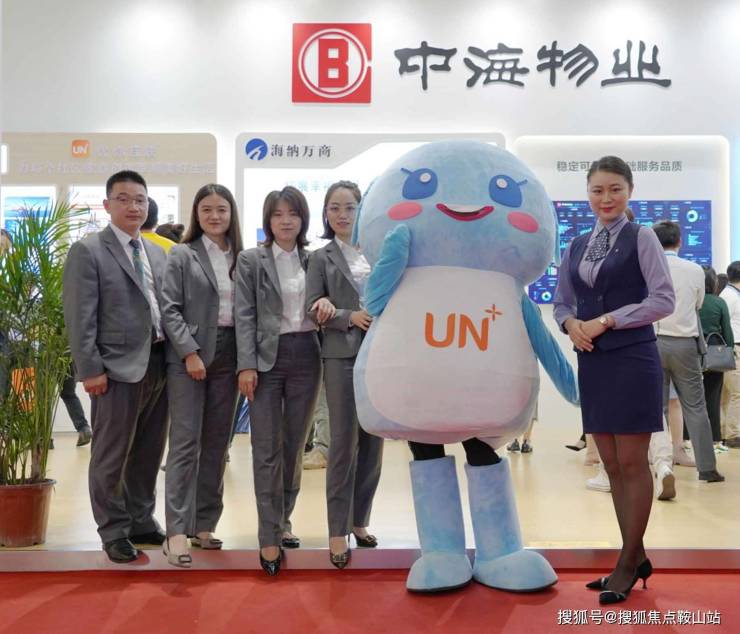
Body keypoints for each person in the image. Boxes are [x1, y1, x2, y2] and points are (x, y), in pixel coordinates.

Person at [553, 156, 675, 604]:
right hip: (593, 361)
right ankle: (635, 555)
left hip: (633, 358)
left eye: (615, 189)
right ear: (588, 194)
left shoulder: (642, 237)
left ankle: (626, 563)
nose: (605, 198)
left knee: (632, 463)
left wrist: (606, 319)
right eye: (597, 191)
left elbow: (663, 299)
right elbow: (562, 303)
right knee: (610, 465)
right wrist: (571, 325)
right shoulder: (576, 245)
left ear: (629, 191)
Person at [63, 170, 168, 564]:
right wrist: (90, 369)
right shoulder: (88, 251)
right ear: (107, 205)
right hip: (114, 370)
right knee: (111, 454)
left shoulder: (156, 252)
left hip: (159, 363)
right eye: (123, 199)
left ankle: (141, 520)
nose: (133, 206)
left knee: (148, 452)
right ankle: (113, 530)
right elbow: (80, 317)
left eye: (139, 199)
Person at [235, 186, 321, 576]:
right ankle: (267, 534)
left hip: (307, 355)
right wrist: (246, 365)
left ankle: (284, 520)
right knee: (265, 449)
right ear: (268, 220)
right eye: (277, 214)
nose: (285, 221)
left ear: (303, 219)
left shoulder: (315, 260)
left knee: (293, 447)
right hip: (266, 361)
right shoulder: (251, 260)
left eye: (293, 214)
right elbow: (245, 315)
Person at [160, 184, 243, 567]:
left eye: (221, 209)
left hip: (231, 354)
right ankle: (176, 532)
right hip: (190, 356)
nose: (214, 216)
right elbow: (169, 308)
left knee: (216, 444)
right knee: (185, 443)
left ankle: (204, 523)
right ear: (196, 214)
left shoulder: (242, 256)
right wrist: (189, 352)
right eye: (206, 209)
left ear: (231, 214)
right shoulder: (182, 254)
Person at [305, 180, 383, 568]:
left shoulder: (379, 251)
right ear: (325, 213)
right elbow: (311, 307)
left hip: (381, 355)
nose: (342, 214)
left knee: (373, 441)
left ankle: (359, 520)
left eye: (349, 207)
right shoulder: (320, 258)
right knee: (343, 443)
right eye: (334, 208)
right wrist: (347, 316)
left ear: (361, 210)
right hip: (341, 356)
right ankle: (337, 530)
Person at [652, 220, 724, 482]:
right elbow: (698, 304)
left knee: (656, 408)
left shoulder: (648, 267)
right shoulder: (695, 270)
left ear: (654, 242)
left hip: (653, 342)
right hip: (685, 344)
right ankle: (707, 468)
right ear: (680, 241)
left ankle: (661, 465)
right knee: (695, 407)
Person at [699, 266, 734, 451]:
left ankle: (688, 439)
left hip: (693, 352)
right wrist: (730, 351)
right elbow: (727, 332)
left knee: (690, 400)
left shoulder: (693, 300)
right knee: (713, 397)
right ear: (714, 282)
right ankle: (714, 439)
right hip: (714, 354)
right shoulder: (719, 302)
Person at [719, 261, 740, 447]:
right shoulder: (731, 296)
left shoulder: (729, 294)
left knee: (727, 394)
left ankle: (724, 432)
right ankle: (733, 434)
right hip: (733, 348)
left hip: (730, 348)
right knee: (736, 393)